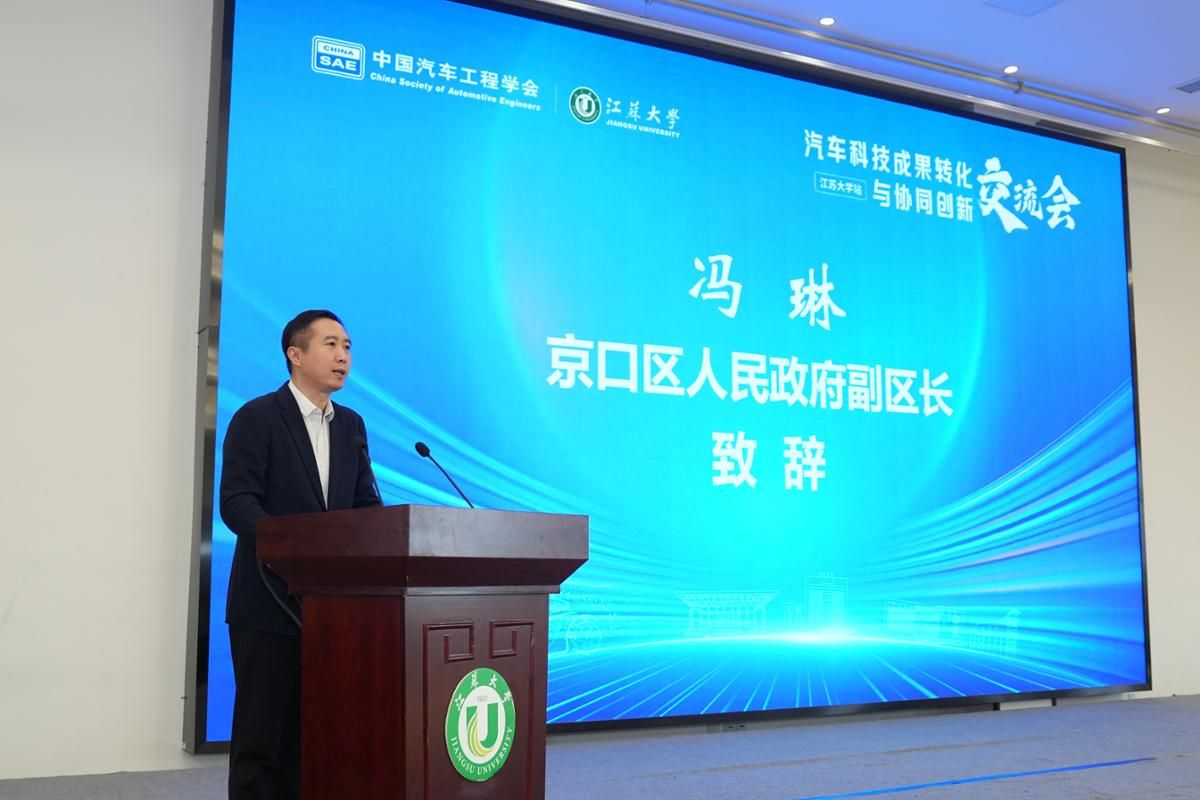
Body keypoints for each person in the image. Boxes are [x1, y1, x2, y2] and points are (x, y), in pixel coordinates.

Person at [219, 309, 382, 800]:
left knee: (312, 734)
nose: (343, 355)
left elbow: (364, 504)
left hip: (332, 609)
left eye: (347, 346)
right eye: (331, 344)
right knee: (261, 736)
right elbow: (237, 503)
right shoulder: (257, 418)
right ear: (295, 354)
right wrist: (295, 548)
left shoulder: (351, 425)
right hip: (268, 600)